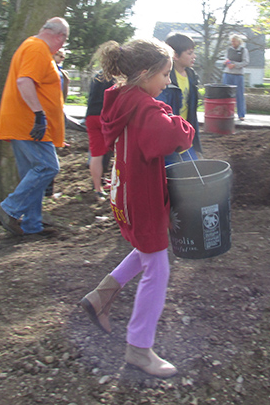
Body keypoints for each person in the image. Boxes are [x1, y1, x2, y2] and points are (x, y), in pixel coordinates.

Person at [79, 38, 195, 378]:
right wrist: (180, 124)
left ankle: (100, 297)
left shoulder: (122, 99)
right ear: (144, 73)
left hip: (126, 191)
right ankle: (139, 349)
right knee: (157, 268)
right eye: (164, 75)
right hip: (142, 196)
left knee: (147, 249)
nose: (168, 82)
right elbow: (172, 138)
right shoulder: (145, 108)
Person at [0, 17, 69, 238]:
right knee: (48, 167)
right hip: (31, 125)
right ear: (59, 36)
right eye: (63, 41)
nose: (61, 47)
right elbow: (24, 81)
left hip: (25, 124)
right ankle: (9, 208)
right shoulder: (37, 48)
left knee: (33, 174)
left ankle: (31, 226)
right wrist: (39, 115)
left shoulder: (34, 47)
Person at [156, 32, 203, 165]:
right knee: (170, 178)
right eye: (189, 53)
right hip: (169, 140)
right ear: (175, 55)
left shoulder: (191, 76)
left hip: (185, 138)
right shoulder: (165, 78)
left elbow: (192, 114)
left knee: (194, 173)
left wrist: (195, 142)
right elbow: (160, 111)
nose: (194, 56)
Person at [44, 48, 72, 198]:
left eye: (63, 56)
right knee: (48, 156)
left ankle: (48, 190)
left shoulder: (61, 73)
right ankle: (47, 190)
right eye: (58, 55)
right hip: (47, 116)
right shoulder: (48, 69)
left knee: (52, 152)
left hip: (57, 114)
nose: (61, 58)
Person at [85, 70, 114, 200]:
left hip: (91, 115)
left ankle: (98, 188)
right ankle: (116, 184)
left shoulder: (98, 75)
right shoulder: (117, 76)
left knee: (96, 153)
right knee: (116, 150)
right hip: (107, 117)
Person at [222, 33, 250, 121]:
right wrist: (227, 63)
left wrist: (235, 65)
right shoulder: (229, 50)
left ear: (238, 41)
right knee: (226, 94)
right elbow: (225, 58)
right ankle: (226, 113)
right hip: (227, 73)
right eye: (231, 41)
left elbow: (245, 62)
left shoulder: (243, 50)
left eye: (234, 41)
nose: (233, 43)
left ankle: (241, 114)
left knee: (239, 95)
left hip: (238, 75)